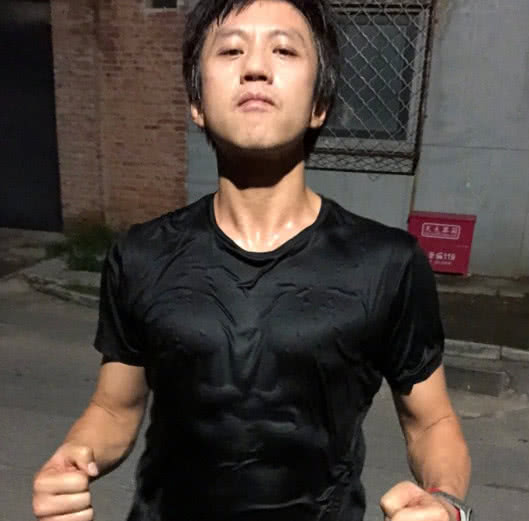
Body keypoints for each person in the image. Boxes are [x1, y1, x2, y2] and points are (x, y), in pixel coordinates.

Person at [32, 1, 472, 520]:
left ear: (319, 104)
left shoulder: (387, 264)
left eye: (284, 49)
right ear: (197, 103)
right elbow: (113, 408)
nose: (256, 66)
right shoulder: (141, 254)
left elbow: (432, 422)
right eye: (231, 50)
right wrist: (73, 458)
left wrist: (446, 502)